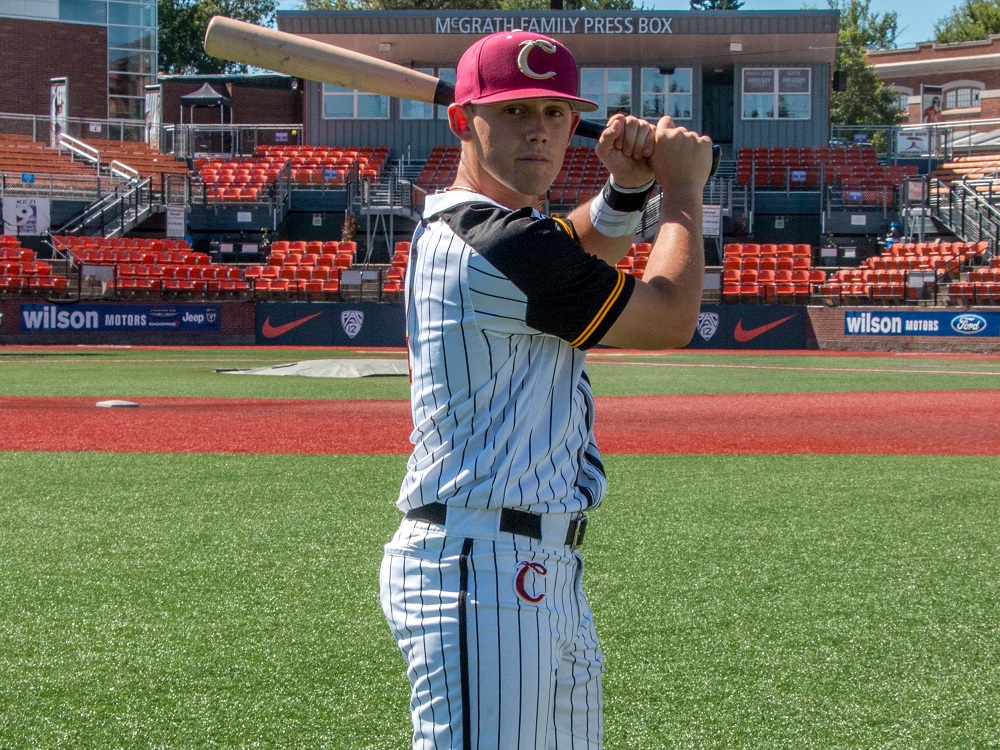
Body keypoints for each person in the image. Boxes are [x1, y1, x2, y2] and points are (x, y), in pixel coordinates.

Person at [379, 29, 714, 750]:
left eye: (555, 113)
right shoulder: (491, 244)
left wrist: (628, 189)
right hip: (480, 565)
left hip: (535, 564)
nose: (540, 131)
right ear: (463, 120)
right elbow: (669, 318)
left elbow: (569, 249)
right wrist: (683, 191)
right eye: (516, 112)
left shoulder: (498, 234)